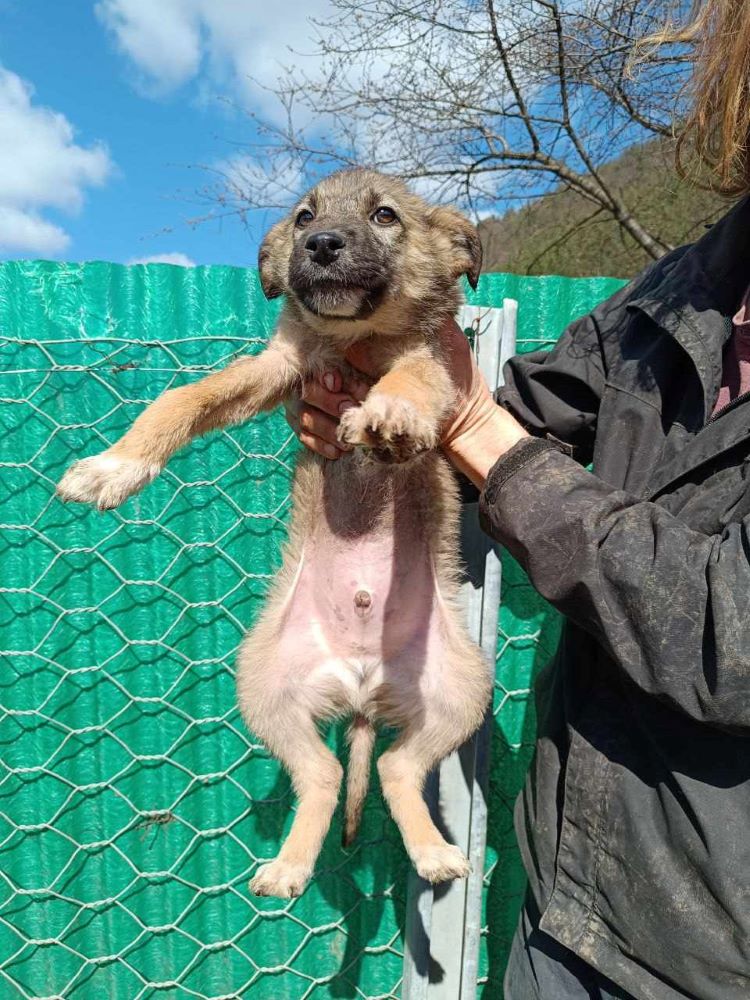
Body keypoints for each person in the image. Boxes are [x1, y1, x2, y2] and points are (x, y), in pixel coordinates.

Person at [285, 2, 750, 996]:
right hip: (572, 903)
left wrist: (474, 435)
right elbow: (531, 398)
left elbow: (731, 627)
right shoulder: (690, 284)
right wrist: (366, 403)